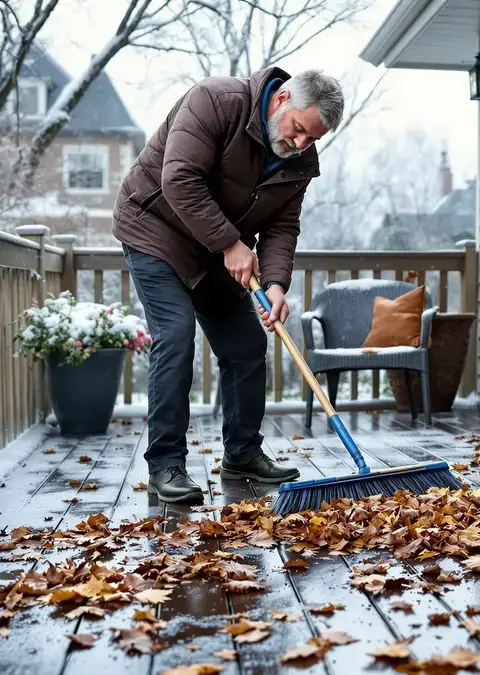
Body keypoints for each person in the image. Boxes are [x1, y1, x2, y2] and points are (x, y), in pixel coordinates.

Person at [112, 67, 344, 503]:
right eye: (298, 130)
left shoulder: (300, 162)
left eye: (312, 139)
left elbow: (281, 226)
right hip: (156, 230)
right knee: (176, 336)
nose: (300, 145)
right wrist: (231, 244)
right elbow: (178, 179)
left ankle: (242, 453)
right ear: (281, 100)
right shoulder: (217, 101)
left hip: (218, 251)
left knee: (246, 346)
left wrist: (275, 283)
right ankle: (166, 465)